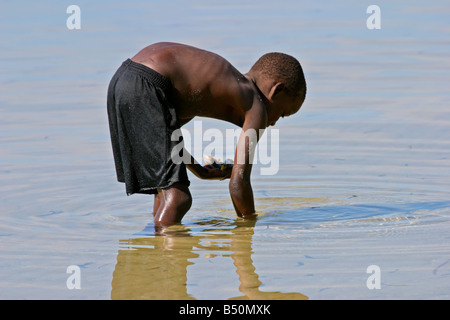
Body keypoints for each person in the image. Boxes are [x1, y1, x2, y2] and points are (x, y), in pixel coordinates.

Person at [107, 42, 306, 226]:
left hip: (123, 79)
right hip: (147, 83)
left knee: (164, 192)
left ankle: (157, 253)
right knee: (178, 198)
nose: (272, 123)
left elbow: (169, 144)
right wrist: (249, 225)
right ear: (276, 91)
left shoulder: (199, 89)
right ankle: (158, 241)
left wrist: (200, 171)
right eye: (281, 114)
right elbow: (239, 183)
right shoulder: (256, 104)